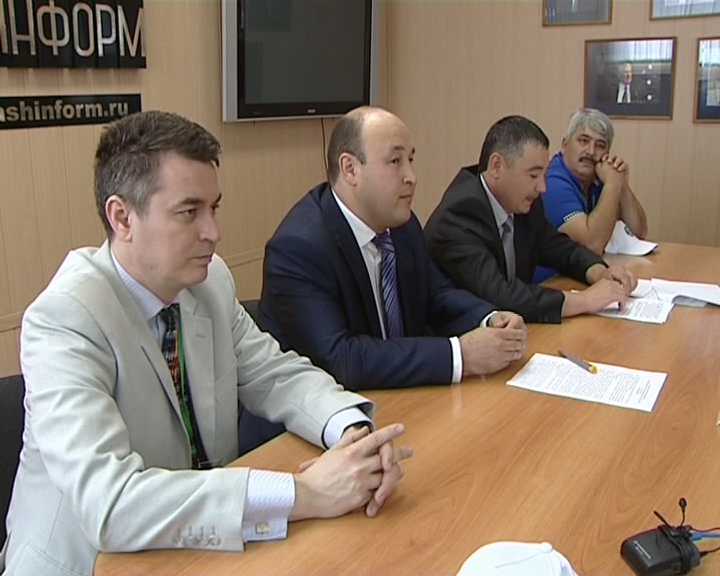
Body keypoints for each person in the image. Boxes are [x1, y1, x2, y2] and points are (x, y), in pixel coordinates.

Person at [0, 111, 412, 576]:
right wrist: (306, 493)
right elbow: (110, 505)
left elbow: (275, 374)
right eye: (188, 212)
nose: (214, 233)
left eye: (213, 209)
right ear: (122, 217)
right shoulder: (65, 319)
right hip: (91, 565)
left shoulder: (208, 282)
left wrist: (352, 436)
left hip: (198, 548)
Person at [258, 106, 527, 391]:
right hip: (320, 410)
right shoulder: (298, 248)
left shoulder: (402, 226)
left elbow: (435, 294)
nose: (411, 176)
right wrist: (460, 355)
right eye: (395, 161)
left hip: (397, 396)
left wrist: (489, 318)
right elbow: (340, 359)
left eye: (411, 159)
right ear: (350, 169)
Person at [424, 115, 636, 324]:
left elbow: (562, 249)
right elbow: (499, 295)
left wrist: (600, 273)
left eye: (543, 175)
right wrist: (586, 300)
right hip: (462, 336)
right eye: (533, 175)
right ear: (496, 166)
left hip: (513, 329)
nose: (542, 187)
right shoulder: (459, 215)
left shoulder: (523, 203)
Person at [542, 108, 647, 256]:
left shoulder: (598, 177)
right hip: (549, 271)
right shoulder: (552, 183)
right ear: (564, 145)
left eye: (600, 145)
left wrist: (621, 184)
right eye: (583, 141)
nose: (591, 151)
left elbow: (637, 235)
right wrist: (612, 184)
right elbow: (592, 245)